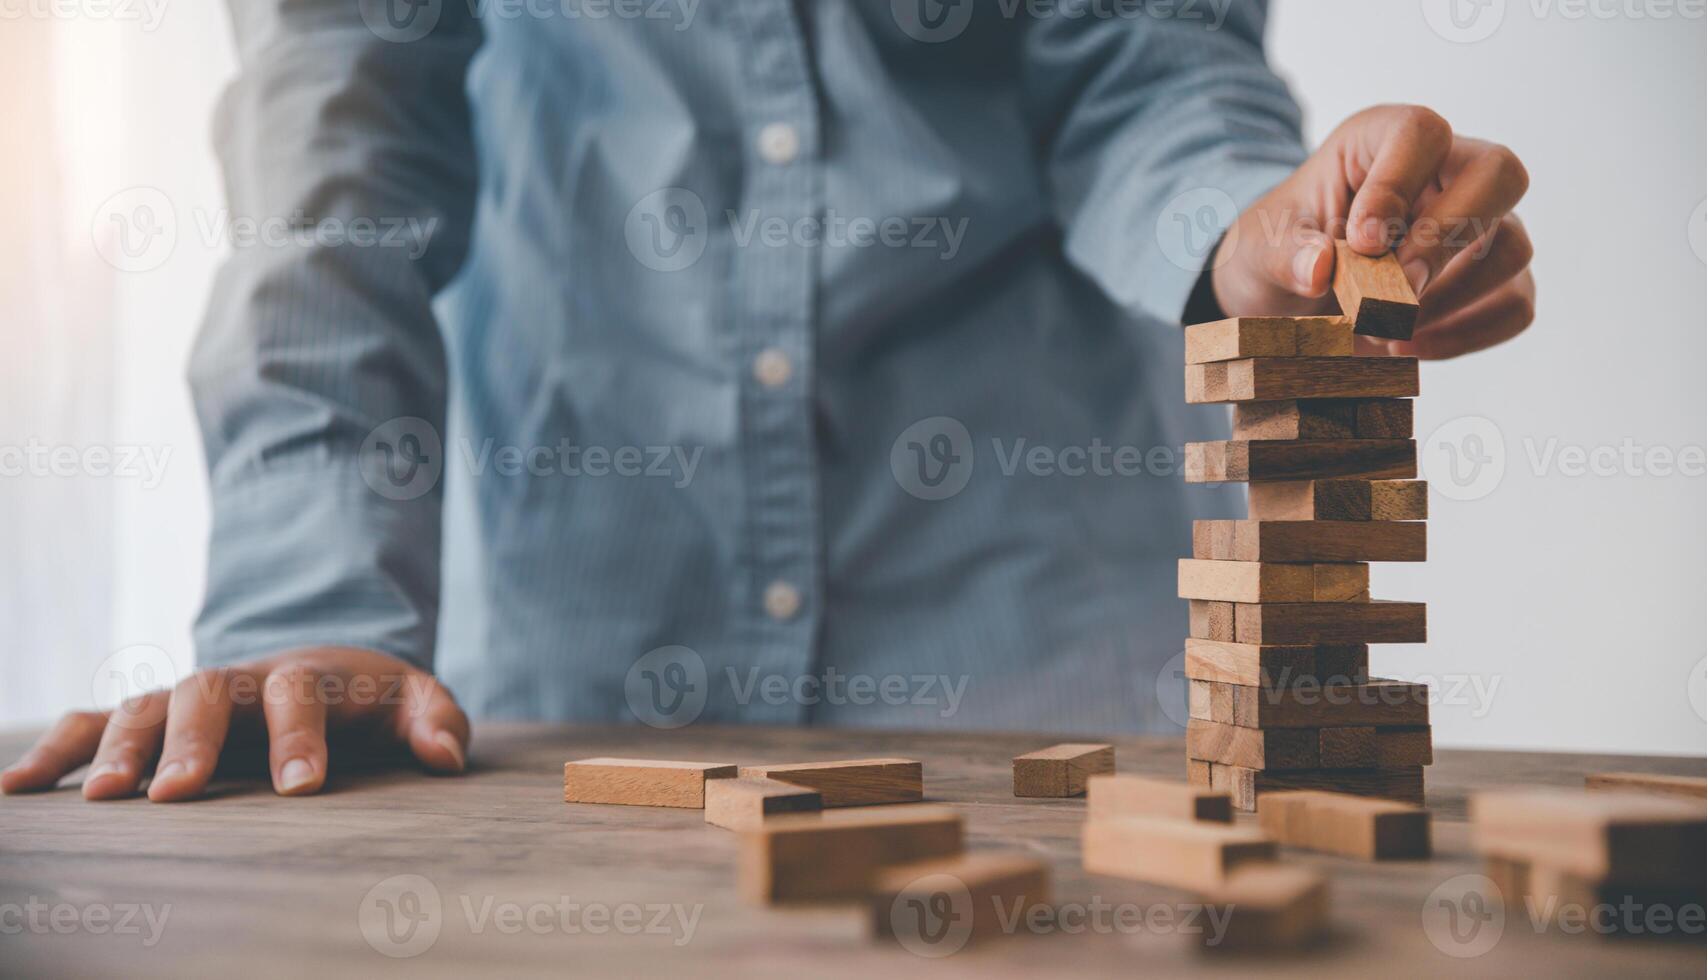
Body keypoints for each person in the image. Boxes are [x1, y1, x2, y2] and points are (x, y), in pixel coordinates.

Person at [2, 1, 1532, 803]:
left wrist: (1244, 224)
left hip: (1025, 608)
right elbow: (336, 165)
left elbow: (1143, 56)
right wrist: (306, 599)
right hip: (580, 616)